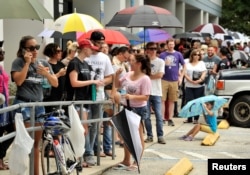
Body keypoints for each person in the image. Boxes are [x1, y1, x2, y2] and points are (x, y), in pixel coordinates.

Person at [11, 35, 58, 175]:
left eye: (36, 47)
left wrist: (46, 74)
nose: (35, 50)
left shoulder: (43, 63)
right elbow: (18, 82)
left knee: (36, 144)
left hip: (38, 106)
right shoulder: (18, 62)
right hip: (23, 104)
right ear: (24, 49)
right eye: (31, 48)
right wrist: (27, 63)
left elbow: (55, 83)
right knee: (23, 144)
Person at [65, 39, 104, 166]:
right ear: (85, 48)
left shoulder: (85, 64)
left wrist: (96, 83)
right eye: (91, 48)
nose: (92, 51)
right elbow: (74, 82)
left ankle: (83, 155)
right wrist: (92, 82)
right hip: (76, 100)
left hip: (85, 101)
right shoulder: (74, 63)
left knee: (84, 129)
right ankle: (84, 155)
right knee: (82, 129)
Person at [113, 54, 151, 171]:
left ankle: (136, 161)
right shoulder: (128, 74)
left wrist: (131, 96)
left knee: (138, 136)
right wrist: (116, 75)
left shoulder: (145, 79)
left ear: (139, 64)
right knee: (126, 135)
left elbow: (146, 97)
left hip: (138, 109)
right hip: (127, 107)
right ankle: (126, 159)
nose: (130, 63)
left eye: (132, 61)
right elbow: (117, 85)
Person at [84, 31, 114, 166]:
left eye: (103, 43)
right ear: (92, 42)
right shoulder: (86, 57)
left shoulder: (105, 57)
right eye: (98, 43)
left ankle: (89, 151)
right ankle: (87, 152)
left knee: (96, 125)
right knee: (85, 124)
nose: (101, 45)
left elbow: (110, 76)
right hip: (84, 94)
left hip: (99, 94)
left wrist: (102, 82)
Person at [159, 38, 186, 126]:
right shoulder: (162, 55)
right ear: (167, 45)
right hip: (164, 79)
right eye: (169, 44)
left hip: (174, 79)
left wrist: (181, 76)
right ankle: (162, 118)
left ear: (174, 45)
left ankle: (170, 118)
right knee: (162, 100)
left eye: (172, 44)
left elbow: (184, 65)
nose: (171, 46)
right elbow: (158, 65)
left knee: (172, 100)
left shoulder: (178, 54)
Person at [144, 42, 166, 144]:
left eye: (154, 49)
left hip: (157, 91)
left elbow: (160, 75)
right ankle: (149, 135)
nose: (153, 51)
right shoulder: (144, 61)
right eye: (150, 49)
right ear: (147, 50)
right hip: (145, 91)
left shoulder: (160, 61)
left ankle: (160, 135)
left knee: (158, 115)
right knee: (146, 116)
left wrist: (147, 76)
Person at [0, 41, 14, 170]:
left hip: (4, 105)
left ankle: (1, 158)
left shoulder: (1, 67)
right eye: (1, 52)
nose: (3, 54)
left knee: (12, 130)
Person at [183, 49, 207, 124]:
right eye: (195, 55)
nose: (196, 56)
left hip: (199, 86)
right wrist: (189, 80)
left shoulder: (201, 63)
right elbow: (184, 73)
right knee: (189, 101)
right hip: (189, 85)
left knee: (197, 102)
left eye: (198, 55)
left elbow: (204, 72)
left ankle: (196, 118)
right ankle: (189, 118)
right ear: (192, 55)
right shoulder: (187, 63)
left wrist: (200, 80)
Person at [43, 43, 66, 112]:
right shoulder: (47, 65)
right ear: (52, 53)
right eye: (58, 51)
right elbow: (46, 80)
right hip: (51, 96)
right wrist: (59, 74)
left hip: (61, 95)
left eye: (61, 51)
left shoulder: (61, 64)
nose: (60, 53)